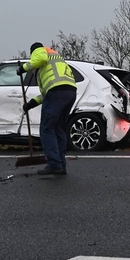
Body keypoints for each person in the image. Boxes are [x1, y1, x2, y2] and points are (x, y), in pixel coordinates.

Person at [17, 42, 77, 176]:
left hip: (57, 92)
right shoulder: (54, 60)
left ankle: (54, 164)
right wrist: (32, 103)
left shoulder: (40, 51)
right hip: (69, 92)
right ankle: (61, 165)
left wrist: (23, 68)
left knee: (47, 128)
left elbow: (40, 59)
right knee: (58, 129)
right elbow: (46, 93)